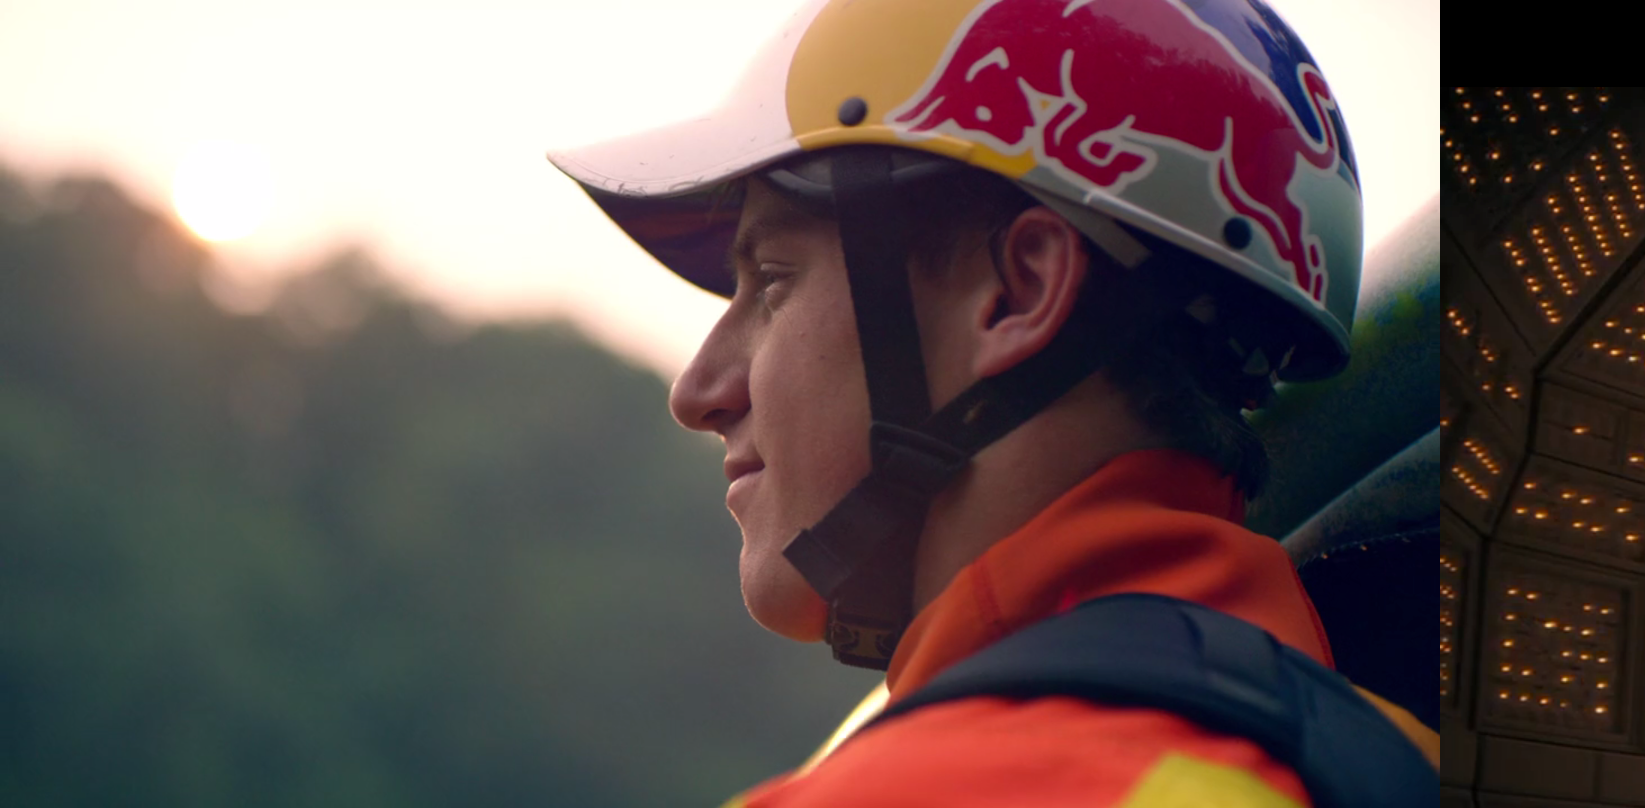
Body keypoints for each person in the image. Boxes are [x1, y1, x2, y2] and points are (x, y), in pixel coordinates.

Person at [547, 0, 1438, 804]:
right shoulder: (1400, 756)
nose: (698, 393)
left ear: (1019, 292)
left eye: (773, 280)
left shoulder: (928, 789)